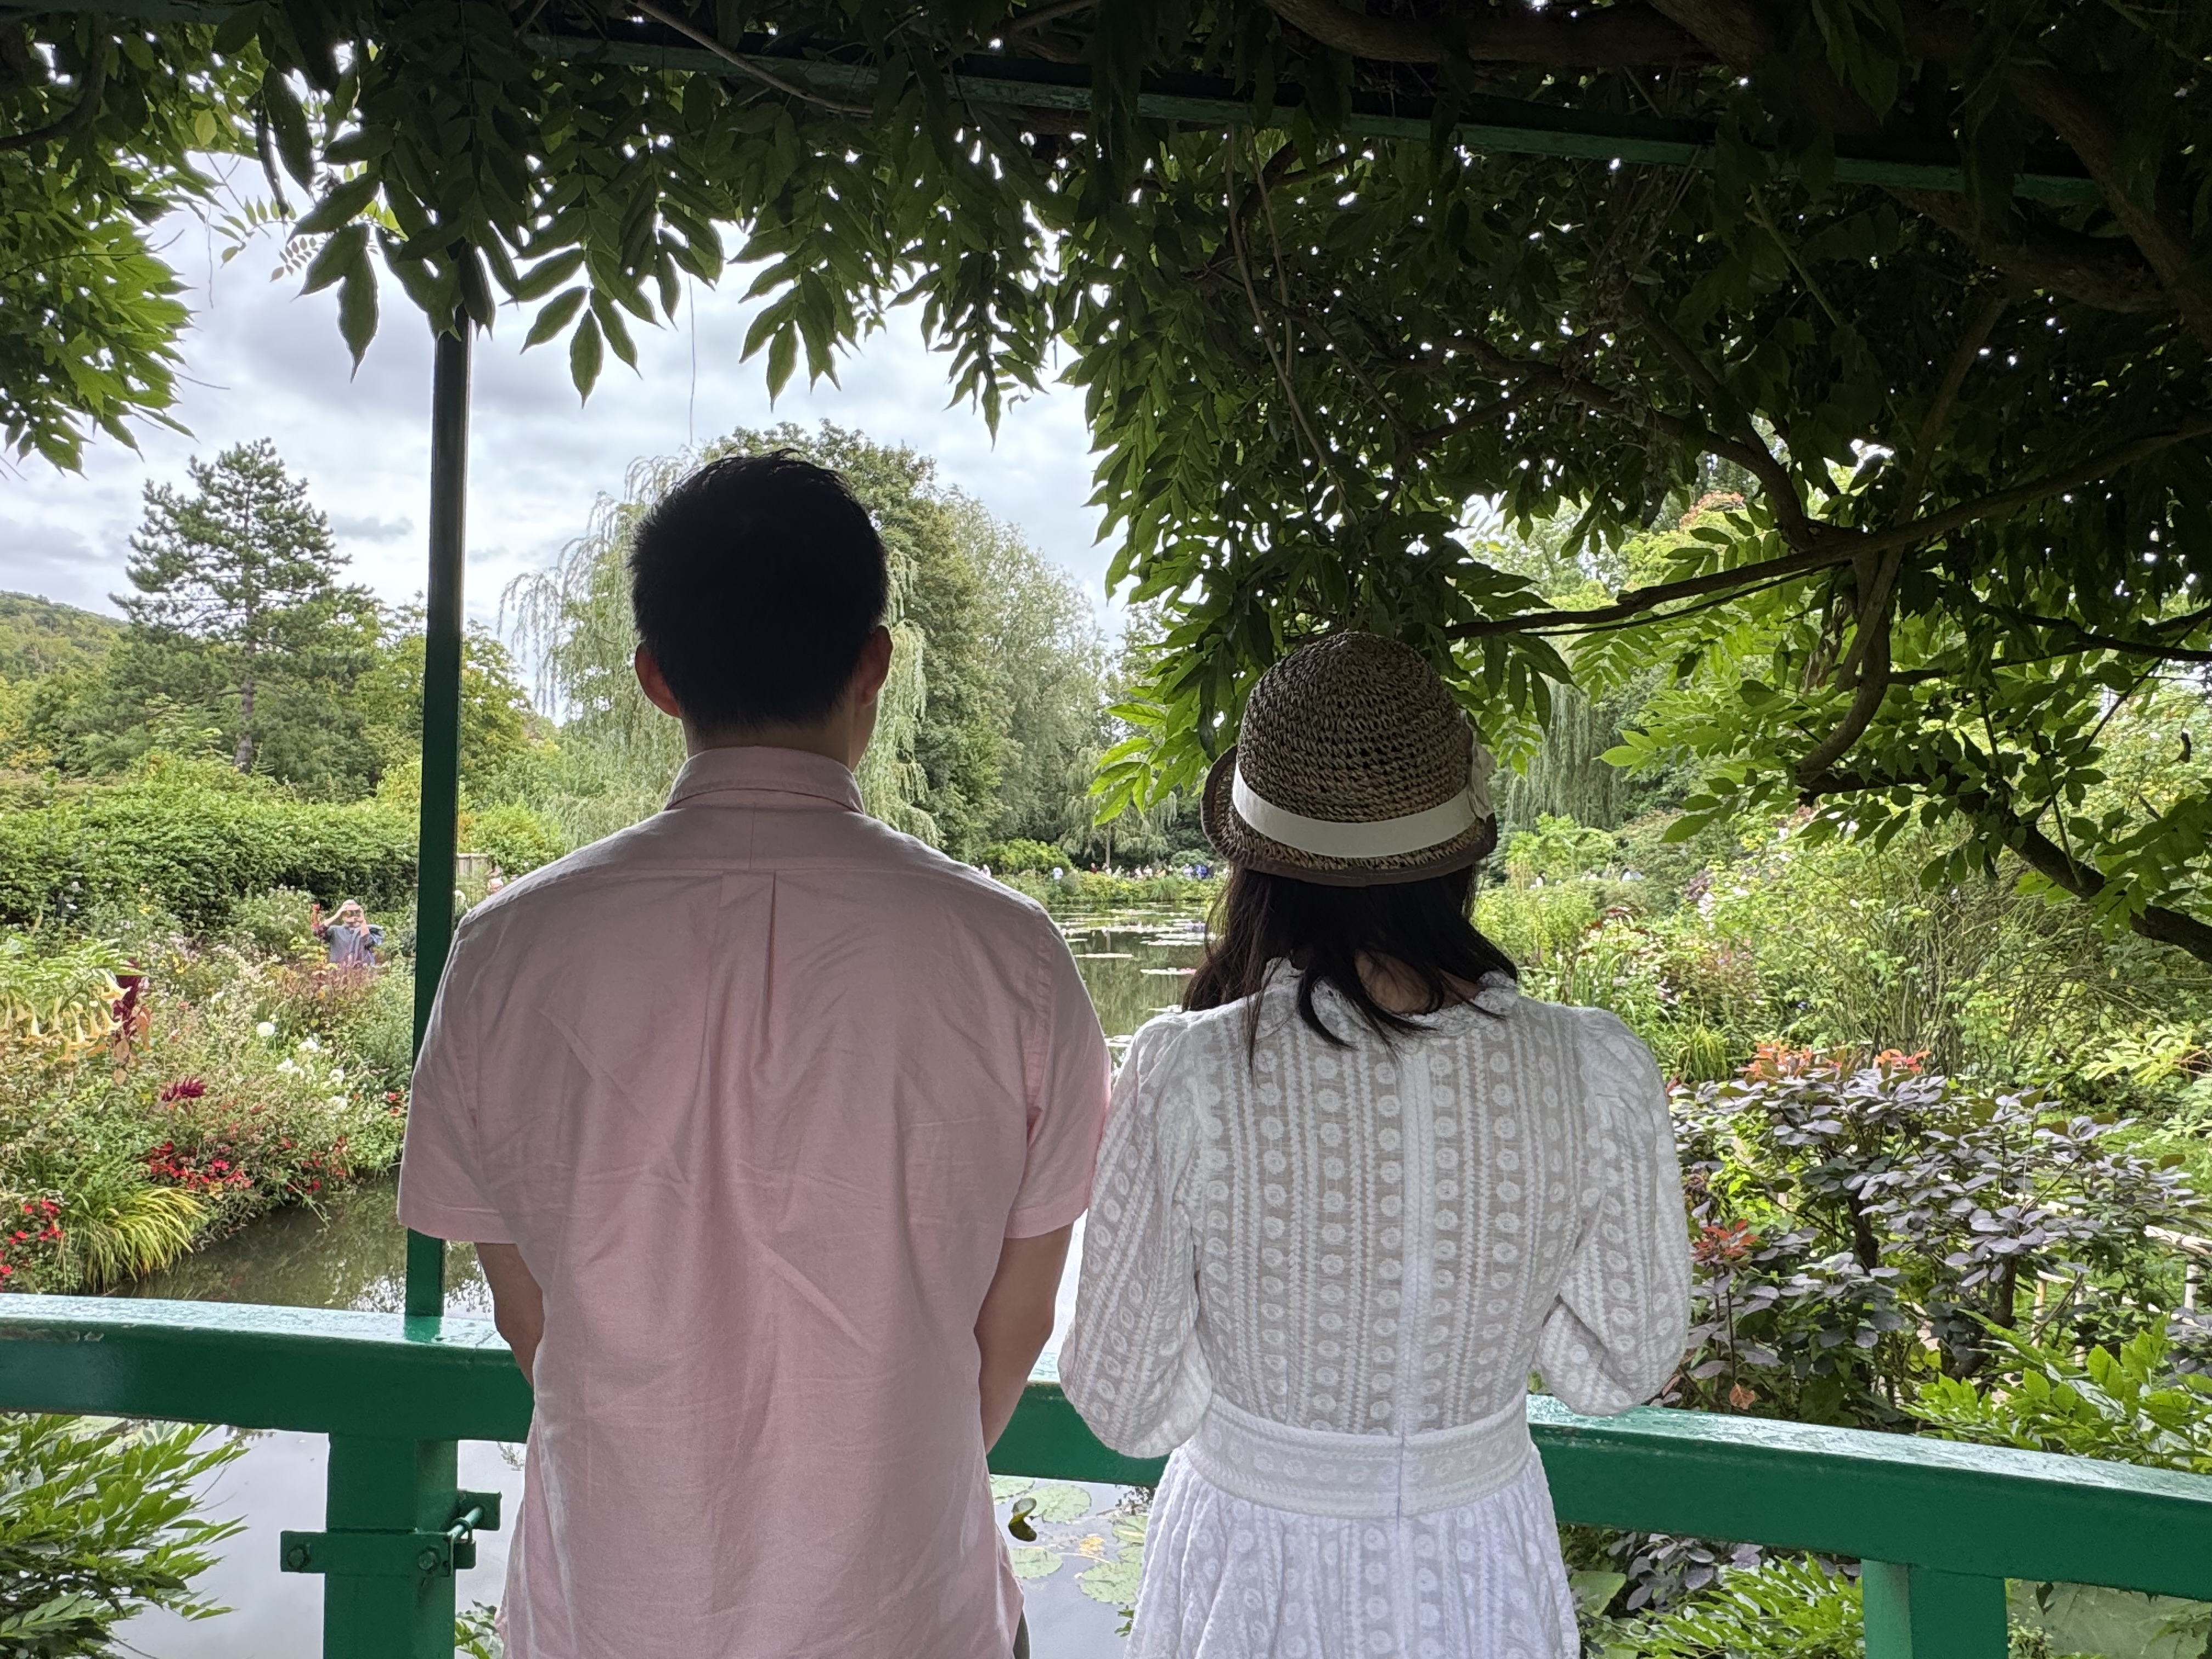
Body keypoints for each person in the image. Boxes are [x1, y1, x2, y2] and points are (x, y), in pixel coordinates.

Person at [398, 453, 1111, 1659]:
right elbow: (1018, 1321)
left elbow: (531, 1321)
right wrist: (877, 1481)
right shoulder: (1013, 953)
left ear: (655, 677)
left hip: (612, 1611)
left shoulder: (506, 949)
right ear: (874, 662)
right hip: (910, 1610)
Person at [1062, 632, 1691, 1659]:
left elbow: (1127, 1404)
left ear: (1257, 864)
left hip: (1254, 1566)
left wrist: (1261, 1392)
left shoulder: (1188, 1073)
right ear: (1463, 851)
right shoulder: (1593, 1067)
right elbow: (1620, 1364)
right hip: (1480, 1564)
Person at [311, 899, 382, 967]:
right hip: (339, 971)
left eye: (354, 912)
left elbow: (368, 943)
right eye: (346, 913)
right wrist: (336, 915)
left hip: (361, 971)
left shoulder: (367, 930)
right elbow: (317, 932)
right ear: (342, 916)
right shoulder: (335, 930)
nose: (350, 915)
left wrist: (362, 921)